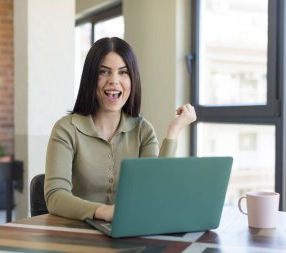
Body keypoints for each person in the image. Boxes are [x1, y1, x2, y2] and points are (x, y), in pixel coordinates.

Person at [44, 37, 196, 221]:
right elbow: (55, 197)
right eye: (104, 72)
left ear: (133, 80)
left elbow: (155, 192)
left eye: (123, 72)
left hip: (129, 233)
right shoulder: (66, 129)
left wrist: (173, 132)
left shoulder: (143, 130)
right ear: (90, 79)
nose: (114, 81)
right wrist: (104, 212)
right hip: (77, 234)